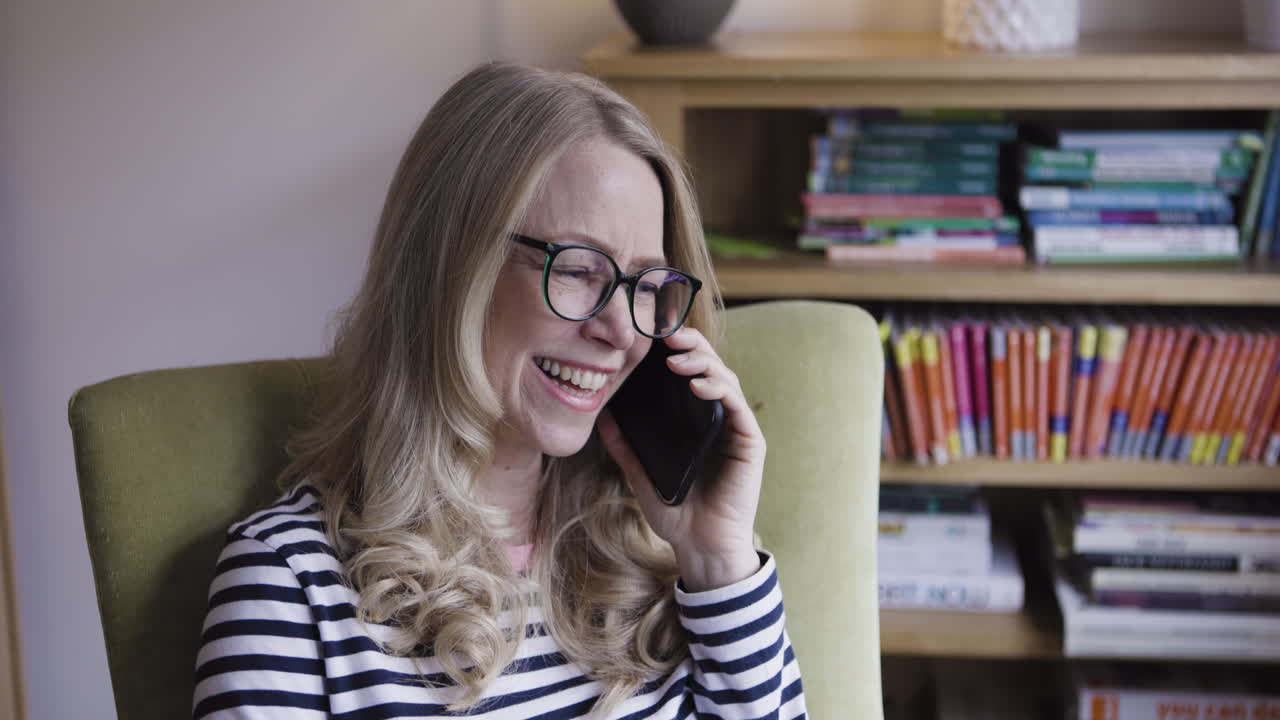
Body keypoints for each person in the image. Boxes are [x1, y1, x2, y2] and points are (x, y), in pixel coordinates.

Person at [192, 61, 807, 720]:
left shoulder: (667, 567)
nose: (622, 329)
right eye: (577, 268)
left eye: (647, 286)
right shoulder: (290, 590)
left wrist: (717, 563)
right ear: (450, 268)